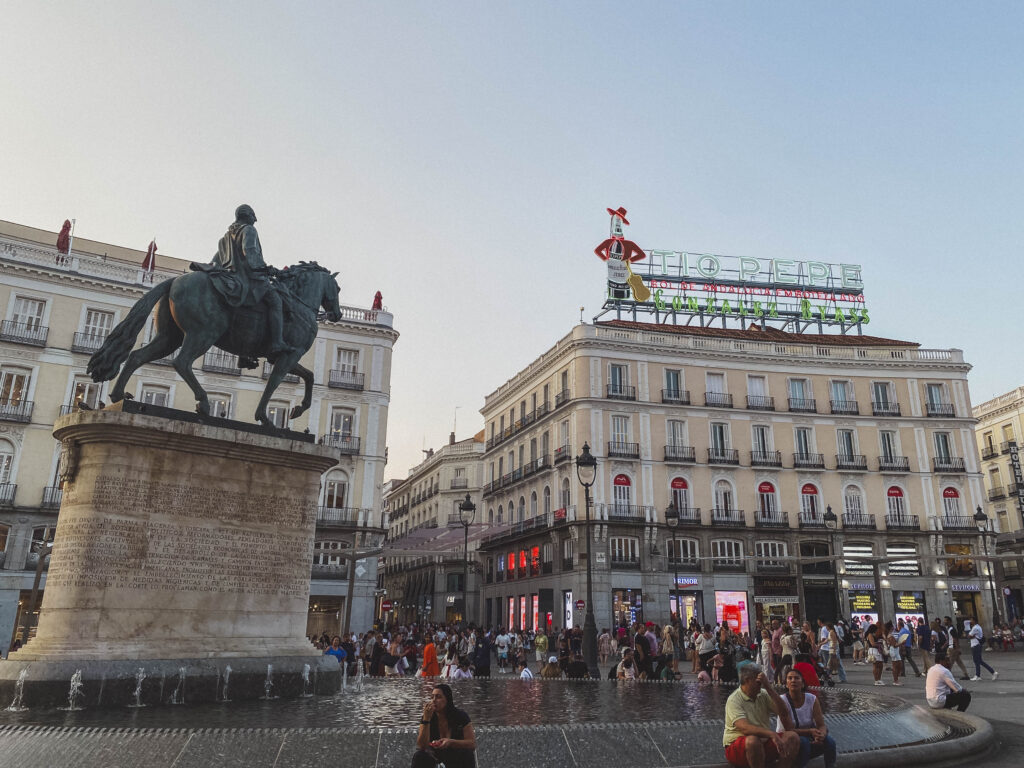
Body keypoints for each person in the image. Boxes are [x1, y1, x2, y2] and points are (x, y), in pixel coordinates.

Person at [194, 204, 292, 358]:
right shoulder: (249, 230)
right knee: (276, 301)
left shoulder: (225, 237)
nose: (256, 219)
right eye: (254, 215)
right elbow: (250, 252)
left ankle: (245, 354)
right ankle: (277, 342)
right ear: (247, 216)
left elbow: (216, 260)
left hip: (231, 278)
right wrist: (266, 269)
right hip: (249, 279)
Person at [722, 665, 800, 768]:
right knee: (753, 741)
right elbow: (744, 728)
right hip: (738, 746)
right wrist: (771, 734)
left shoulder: (763, 694)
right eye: (758, 682)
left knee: (792, 737)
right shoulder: (734, 699)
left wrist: (769, 688)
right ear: (747, 680)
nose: (761, 685)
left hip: (762, 743)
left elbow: (784, 712)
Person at [776, 669, 837, 768]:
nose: (793, 680)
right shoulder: (782, 700)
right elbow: (789, 730)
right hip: (788, 739)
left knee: (830, 742)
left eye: (796, 678)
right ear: (786, 684)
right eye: (789, 678)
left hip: (809, 736)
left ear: (803, 683)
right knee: (804, 743)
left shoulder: (811, 699)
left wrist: (821, 735)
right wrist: (810, 731)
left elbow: (821, 725)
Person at [413, 684, 476, 768]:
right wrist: (426, 719)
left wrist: (451, 742)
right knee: (419, 756)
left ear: (447, 699)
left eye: (438, 697)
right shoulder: (428, 716)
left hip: (456, 755)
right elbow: (421, 745)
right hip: (434, 756)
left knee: (468, 754)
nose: (434, 700)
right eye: (432, 697)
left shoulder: (460, 716)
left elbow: (472, 744)